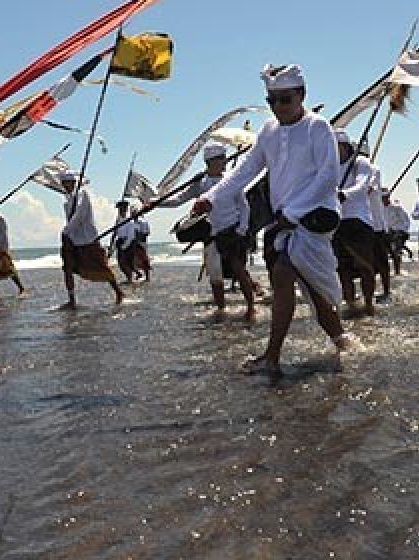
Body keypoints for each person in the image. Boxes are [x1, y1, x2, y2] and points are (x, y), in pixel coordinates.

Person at [192, 63, 358, 373]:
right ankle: (341, 340)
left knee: (283, 275)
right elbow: (246, 171)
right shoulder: (268, 131)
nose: (278, 107)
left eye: (285, 99)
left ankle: (272, 356)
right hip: (285, 222)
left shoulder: (317, 126)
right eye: (272, 101)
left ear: (301, 95)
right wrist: (210, 198)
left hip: (313, 219)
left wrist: (294, 212)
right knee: (310, 287)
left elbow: (329, 177)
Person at [157, 142, 256, 317]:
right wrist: (156, 203)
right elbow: (179, 200)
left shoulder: (231, 181)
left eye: (225, 159)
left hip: (233, 231)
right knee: (215, 275)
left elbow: (244, 207)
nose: (225, 162)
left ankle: (250, 307)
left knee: (239, 270)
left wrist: (242, 229)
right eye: (221, 159)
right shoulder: (200, 184)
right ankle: (221, 309)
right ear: (212, 162)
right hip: (212, 233)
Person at [58, 172, 125, 308]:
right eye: (64, 184)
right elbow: (70, 219)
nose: (66, 186)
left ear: (74, 183)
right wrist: (68, 233)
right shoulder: (68, 200)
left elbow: (80, 216)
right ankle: (72, 300)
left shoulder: (83, 196)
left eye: (68, 183)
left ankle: (118, 292)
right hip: (73, 239)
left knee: (102, 267)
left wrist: (66, 230)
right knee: (68, 268)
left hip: (88, 239)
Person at [334, 129, 378, 317]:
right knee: (342, 267)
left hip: (358, 221)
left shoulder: (360, 163)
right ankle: (351, 303)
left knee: (364, 266)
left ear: (345, 147)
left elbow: (361, 186)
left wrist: (344, 194)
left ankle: (368, 303)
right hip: (337, 221)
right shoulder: (331, 167)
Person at [365, 158, 392, 301]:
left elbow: (368, 187)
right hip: (355, 225)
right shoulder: (345, 169)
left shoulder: (373, 170)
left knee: (381, 261)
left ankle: (386, 291)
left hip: (375, 226)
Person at [382, 190, 412, 274]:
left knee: (395, 251)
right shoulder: (380, 209)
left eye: (385, 197)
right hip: (386, 233)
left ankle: (397, 271)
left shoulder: (397, 207)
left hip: (397, 232)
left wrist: (400, 231)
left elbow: (406, 220)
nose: (384, 199)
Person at [110, 200, 140, 282]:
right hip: (120, 241)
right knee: (121, 263)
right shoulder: (118, 220)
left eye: (122, 209)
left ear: (126, 210)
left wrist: (124, 246)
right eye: (119, 209)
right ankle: (133, 276)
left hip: (128, 243)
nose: (120, 211)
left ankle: (130, 278)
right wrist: (111, 244)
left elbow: (130, 236)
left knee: (128, 262)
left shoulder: (129, 221)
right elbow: (115, 232)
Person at [131, 206, 152, 282]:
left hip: (141, 243)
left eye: (134, 213)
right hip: (133, 243)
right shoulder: (131, 223)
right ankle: (138, 274)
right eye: (132, 214)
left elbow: (146, 233)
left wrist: (138, 236)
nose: (133, 215)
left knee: (144, 260)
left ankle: (147, 277)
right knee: (133, 260)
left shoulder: (143, 222)